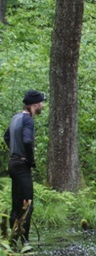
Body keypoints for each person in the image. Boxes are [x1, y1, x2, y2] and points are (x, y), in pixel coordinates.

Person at [3, 90, 45, 244]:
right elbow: (27, 141)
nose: (43, 105)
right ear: (35, 104)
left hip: (13, 164)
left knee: (16, 205)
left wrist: (15, 150)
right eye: (41, 102)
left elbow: (6, 136)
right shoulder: (28, 120)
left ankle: (12, 242)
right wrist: (30, 160)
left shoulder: (16, 118)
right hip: (21, 166)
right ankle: (25, 245)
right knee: (28, 206)